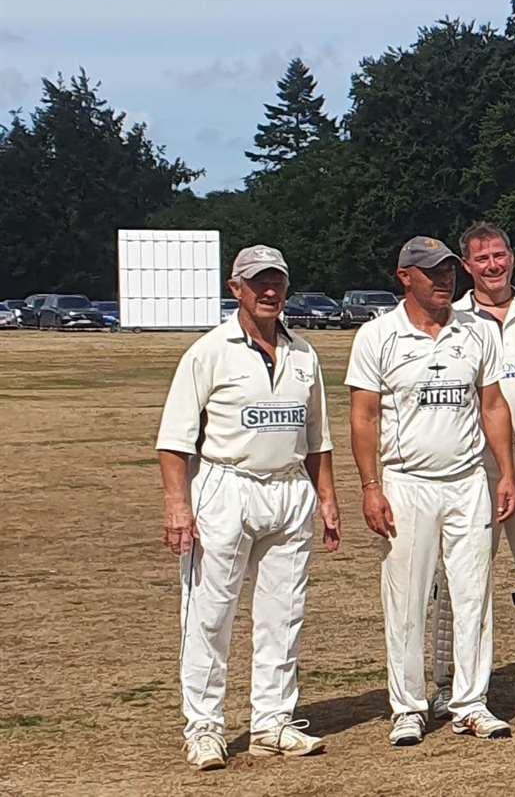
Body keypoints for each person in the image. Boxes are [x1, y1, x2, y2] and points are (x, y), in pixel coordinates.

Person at [157, 245, 340, 770]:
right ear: (235, 288)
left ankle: (273, 723)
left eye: (277, 281)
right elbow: (175, 440)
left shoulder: (303, 353)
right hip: (225, 487)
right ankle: (205, 729)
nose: (269, 291)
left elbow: (318, 439)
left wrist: (326, 499)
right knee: (209, 616)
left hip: (289, 490)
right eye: (257, 281)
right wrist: (178, 505)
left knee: (283, 615)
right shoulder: (208, 351)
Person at [347, 236, 515, 745]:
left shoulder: (477, 331)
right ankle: (408, 706)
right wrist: (371, 486)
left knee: (472, 595)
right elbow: (364, 415)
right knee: (407, 599)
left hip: (468, 482)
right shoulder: (378, 336)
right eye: (431, 272)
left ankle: (470, 702)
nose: (444, 280)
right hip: (406, 482)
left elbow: (493, 405)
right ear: (405, 277)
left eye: (448, 271)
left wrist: (506, 473)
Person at [418, 223, 515, 714]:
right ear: (467, 266)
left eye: (500, 255)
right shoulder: (451, 317)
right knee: (459, 572)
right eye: (482, 259)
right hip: (471, 464)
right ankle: (444, 681)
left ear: (512, 257)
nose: (493, 266)